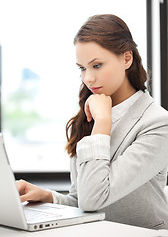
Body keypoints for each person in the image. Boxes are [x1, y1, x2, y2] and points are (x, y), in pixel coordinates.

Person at [16, 14, 168, 230]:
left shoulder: (158, 124)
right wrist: (48, 197)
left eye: (96, 66)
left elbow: (94, 198)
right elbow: (83, 200)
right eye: (82, 68)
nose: (87, 78)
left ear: (126, 59)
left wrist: (103, 123)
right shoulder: (92, 112)